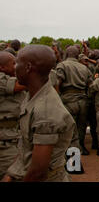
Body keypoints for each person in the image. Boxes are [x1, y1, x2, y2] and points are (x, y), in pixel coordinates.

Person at [5, 45, 76, 182]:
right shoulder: (33, 95)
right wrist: (10, 175)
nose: (14, 67)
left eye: (17, 62)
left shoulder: (46, 111)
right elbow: (26, 149)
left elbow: (38, 173)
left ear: (28, 67)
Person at [56, 46, 93, 156]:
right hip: (83, 100)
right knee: (81, 127)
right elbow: (91, 85)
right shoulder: (84, 68)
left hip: (68, 100)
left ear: (67, 54)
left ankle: (73, 157)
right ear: (77, 55)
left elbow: (58, 82)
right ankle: (80, 147)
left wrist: (57, 98)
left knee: (69, 128)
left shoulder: (62, 65)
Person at [0, 52, 27, 180]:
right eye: (13, 64)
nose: (16, 66)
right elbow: (18, 85)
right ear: (2, 68)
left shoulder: (11, 77)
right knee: (12, 174)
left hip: (12, 136)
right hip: (4, 142)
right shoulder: (2, 80)